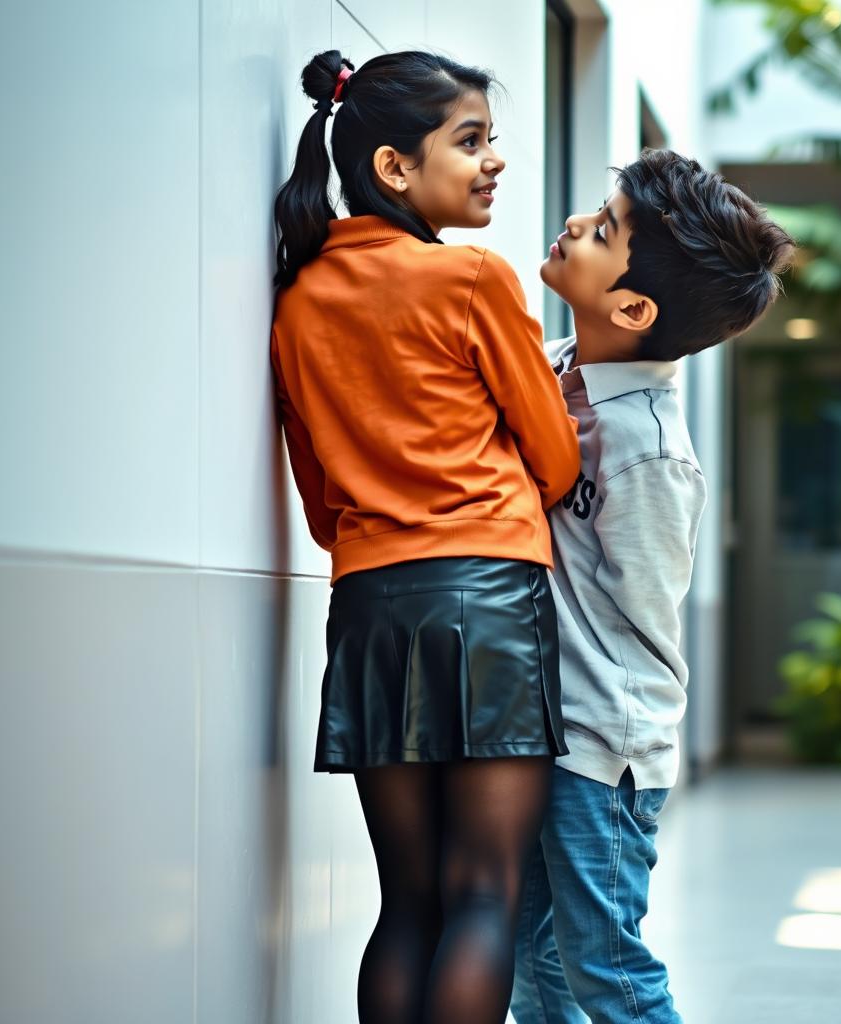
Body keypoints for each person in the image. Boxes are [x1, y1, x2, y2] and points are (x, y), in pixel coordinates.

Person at [269, 49, 580, 1024]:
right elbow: (558, 461)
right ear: (397, 167)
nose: (494, 161)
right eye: (471, 140)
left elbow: (320, 500)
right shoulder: (473, 281)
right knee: (483, 893)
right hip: (488, 598)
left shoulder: (299, 298)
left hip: (368, 606)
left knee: (405, 902)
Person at [510, 149, 795, 1024]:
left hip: (603, 751)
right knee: (534, 962)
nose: (574, 226)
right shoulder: (552, 367)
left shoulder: (652, 450)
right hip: (546, 727)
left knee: (606, 967)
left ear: (633, 308)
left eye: (601, 231)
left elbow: (644, 614)